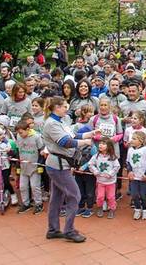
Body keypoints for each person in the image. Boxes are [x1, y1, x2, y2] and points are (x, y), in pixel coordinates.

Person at [42, 96, 96, 243]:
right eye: (64, 106)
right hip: (58, 166)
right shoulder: (51, 124)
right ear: (56, 108)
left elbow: (73, 135)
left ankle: (53, 229)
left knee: (57, 198)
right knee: (74, 195)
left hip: (58, 165)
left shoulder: (60, 121)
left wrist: (88, 134)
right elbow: (65, 142)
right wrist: (84, 142)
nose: (67, 109)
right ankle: (69, 230)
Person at [15, 118, 45, 214]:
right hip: (23, 166)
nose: (20, 135)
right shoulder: (18, 137)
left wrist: (40, 165)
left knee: (35, 186)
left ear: (28, 129)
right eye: (18, 133)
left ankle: (39, 204)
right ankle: (26, 203)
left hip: (34, 166)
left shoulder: (36, 137)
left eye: (21, 132)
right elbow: (17, 151)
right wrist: (18, 166)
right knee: (22, 186)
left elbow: (42, 151)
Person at [88, 138, 120, 219]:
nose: (100, 145)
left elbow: (117, 166)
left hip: (111, 182)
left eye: (103, 143)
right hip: (100, 181)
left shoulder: (113, 157)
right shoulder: (96, 156)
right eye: (100, 143)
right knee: (100, 196)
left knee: (111, 197)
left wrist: (110, 174)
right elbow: (90, 164)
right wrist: (95, 171)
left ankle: (112, 209)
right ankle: (100, 207)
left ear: (109, 146)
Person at [127, 131, 146, 220]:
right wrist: (130, 171)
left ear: (141, 141)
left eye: (134, 139)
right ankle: (137, 209)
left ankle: (145, 210)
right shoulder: (130, 150)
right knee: (134, 194)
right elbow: (128, 162)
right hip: (134, 177)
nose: (132, 140)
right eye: (132, 138)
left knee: (143, 195)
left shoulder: (145, 149)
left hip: (143, 178)